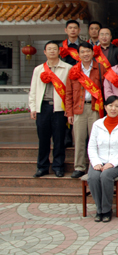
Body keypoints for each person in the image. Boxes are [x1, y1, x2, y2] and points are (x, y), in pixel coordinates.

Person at [29, 41, 72, 178]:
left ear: (59, 51)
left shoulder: (67, 68)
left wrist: (69, 109)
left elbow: (70, 91)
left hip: (59, 108)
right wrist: (33, 107)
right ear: (45, 52)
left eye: (54, 49)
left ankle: (58, 166)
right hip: (43, 107)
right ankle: (42, 167)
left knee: (59, 139)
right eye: (49, 49)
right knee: (43, 139)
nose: (52, 51)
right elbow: (33, 90)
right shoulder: (38, 69)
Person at [87, 95, 118, 222]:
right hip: (99, 161)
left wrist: (112, 163)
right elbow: (91, 146)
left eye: (117, 106)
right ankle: (99, 208)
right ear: (105, 107)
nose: (113, 109)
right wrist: (96, 162)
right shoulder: (97, 125)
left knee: (106, 176)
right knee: (93, 177)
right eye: (110, 106)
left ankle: (106, 210)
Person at [65, 42, 104, 179]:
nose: (86, 54)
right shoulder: (74, 70)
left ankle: (94, 166)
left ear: (93, 53)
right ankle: (79, 167)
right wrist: (69, 112)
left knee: (96, 140)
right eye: (82, 52)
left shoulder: (100, 68)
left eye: (88, 51)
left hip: (95, 108)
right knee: (79, 139)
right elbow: (68, 93)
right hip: (78, 109)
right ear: (78, 54)